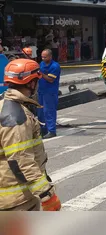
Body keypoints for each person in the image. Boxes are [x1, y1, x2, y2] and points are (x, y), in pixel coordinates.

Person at [0, 59, 61, 211]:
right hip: (17, 201)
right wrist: (46, 195)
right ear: (31, 83)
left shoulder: (4, 105)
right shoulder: (15, 117)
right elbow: (21, 161)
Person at [38, 49, 60, 139]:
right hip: (41, 91)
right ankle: (43, 130)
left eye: (45, 57)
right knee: (41, 112)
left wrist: (41, 74)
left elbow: (51, 80)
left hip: (50, 92)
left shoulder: (55, 66)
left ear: (50, 56)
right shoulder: (42, 64)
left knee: (49, 111)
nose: (43, 58)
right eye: (42, 56)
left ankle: (51, 131)